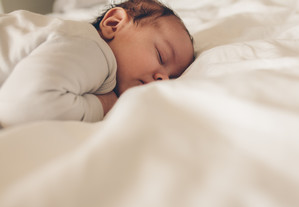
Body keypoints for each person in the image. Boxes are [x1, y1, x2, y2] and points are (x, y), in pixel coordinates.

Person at [0, 0, 194, 128]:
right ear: (114, 23)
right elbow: (21, 108)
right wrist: (104, 104)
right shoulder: (92, 48)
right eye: (161, 55)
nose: (164, 78)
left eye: (172, 76)